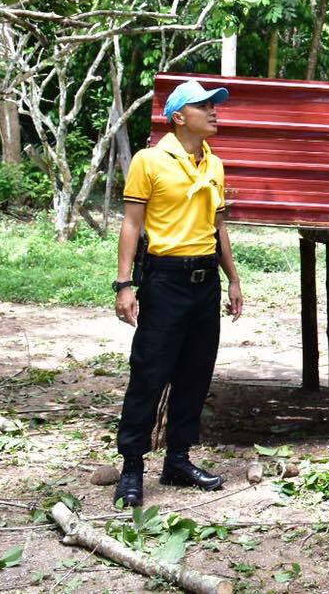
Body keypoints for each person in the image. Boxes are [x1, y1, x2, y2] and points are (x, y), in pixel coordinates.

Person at [112, 78, 245, 509]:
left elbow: (218, 226)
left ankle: (178, 460)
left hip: (204, 282)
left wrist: (233, 278)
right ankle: (132, 466)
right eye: (204, 105)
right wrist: (125, 284)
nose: (214, 111)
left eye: (214, 105)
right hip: (165, 280)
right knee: (150, 372)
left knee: (195, 372)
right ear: (178, 117)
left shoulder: (215, 164)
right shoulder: (149, 161)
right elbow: (132, 224)